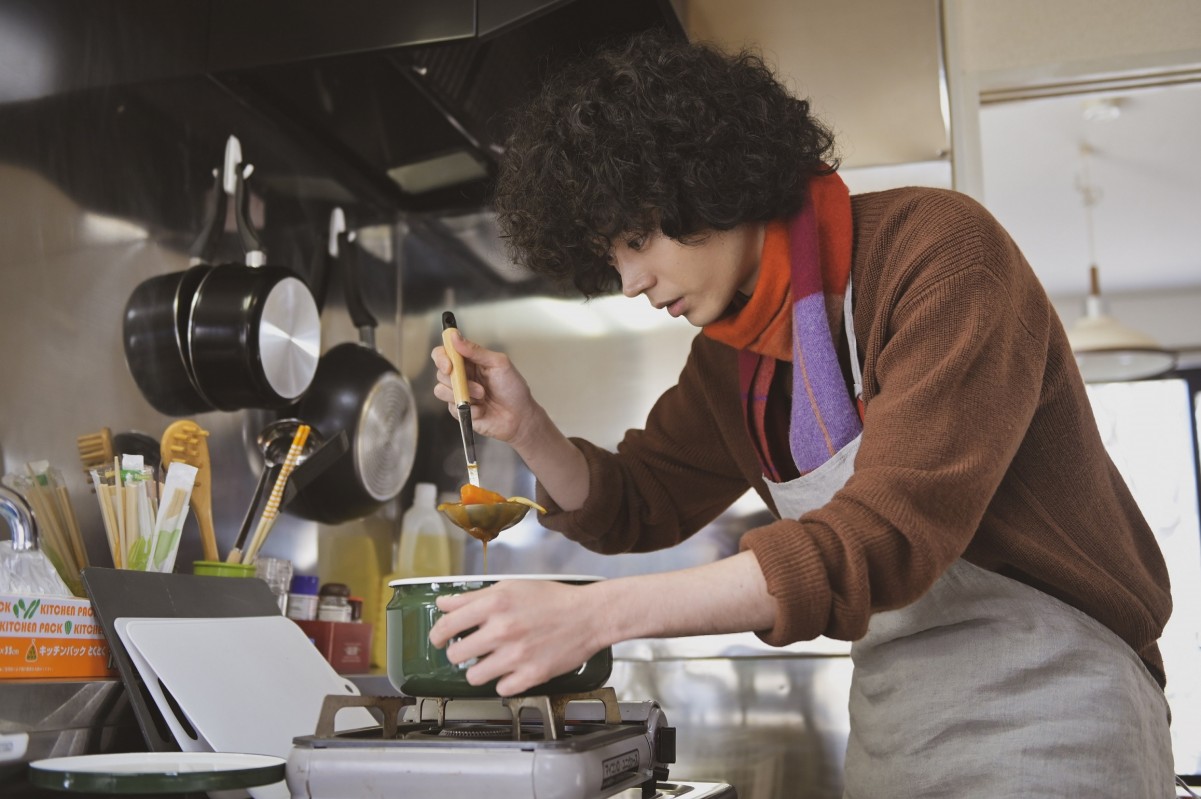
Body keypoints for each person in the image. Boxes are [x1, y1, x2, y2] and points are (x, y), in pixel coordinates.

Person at [429, 29, 1175, 796]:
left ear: (705, 177)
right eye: (609, 255)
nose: (627, 281)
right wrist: (527, 427)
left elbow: (881, 535)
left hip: (1052, 701)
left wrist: (594, 617)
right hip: (896, 724)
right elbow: (637, 504)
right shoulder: (732, 353)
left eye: (637, 236)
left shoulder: (942, 256)